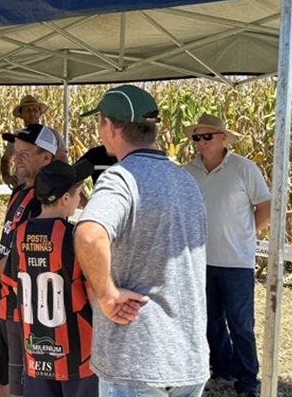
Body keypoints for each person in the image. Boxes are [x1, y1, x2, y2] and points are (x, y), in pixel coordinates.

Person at [74, 85, 209, 396]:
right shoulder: (186, 180)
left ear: (110, 126)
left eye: (99, 123)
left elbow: (89, 234)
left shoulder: (121, 177)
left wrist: (107, 295)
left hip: (136, 360)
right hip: (189, 359)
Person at [183, 113, 271, 397]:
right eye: (196, 137)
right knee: (210, 321)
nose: (200, 142)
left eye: (207, 136)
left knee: (241, 324)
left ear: (223, 138)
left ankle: (247, 382)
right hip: (200, 261)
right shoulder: (187, 171)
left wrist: (244, 234)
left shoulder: (244, 168)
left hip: (236, 262)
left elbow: (265, 207)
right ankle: (221, 369)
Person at [0, 124, 57, 397]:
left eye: (25, 153)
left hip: (23, 305)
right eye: (16, 151)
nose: (17, 157)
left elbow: (30, 253)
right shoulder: (20, 192)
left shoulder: (45, 201)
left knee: (21, 382)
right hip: (1, 296)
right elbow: (7, 245)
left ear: (46, 157)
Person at [2, 159, 97, 397]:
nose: (80, 197)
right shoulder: (75, 237)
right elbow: (94, 295)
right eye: (78, 192)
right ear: (65, 198)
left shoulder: (20, 234)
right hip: (79, 355)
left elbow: (16, 287)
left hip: (35, 354)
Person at [0, 94, 68, 189]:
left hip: (47, 188)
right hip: (22, 187)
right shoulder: (16, 137)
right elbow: (5, 160)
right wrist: (6, 175)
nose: (32, 113)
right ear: (21, 115)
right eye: (28, 110)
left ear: (40, 113)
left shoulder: (53, 135)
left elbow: (62, 161)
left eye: (35, 110)